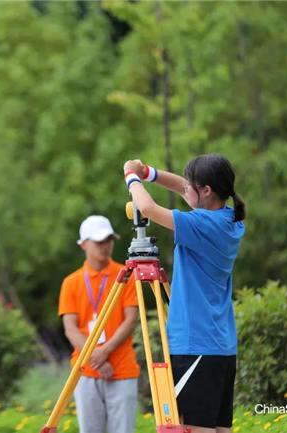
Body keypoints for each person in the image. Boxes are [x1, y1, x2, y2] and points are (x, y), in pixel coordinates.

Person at [123, 155, 246, 433]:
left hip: (195, 346)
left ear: (207, 191)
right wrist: (148, 172)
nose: (185, 188)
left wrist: (131, 176)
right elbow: (183, 188)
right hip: (221, 347)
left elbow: (148, 208)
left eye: (192, 185)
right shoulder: (230, 220)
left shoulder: (201, 224)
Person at [59, 215, 140, 433]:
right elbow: (70, 328)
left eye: (109, 240)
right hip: (85, 370)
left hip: (122, 368)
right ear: (84, 244)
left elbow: (131, 320)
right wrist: (96, 358)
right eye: (99, 241)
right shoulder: (71, 282)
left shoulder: (127, 276)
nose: (105, 246)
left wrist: (105, 351)